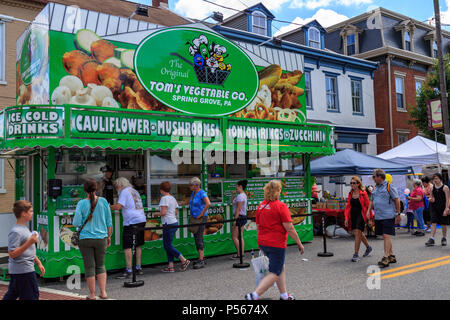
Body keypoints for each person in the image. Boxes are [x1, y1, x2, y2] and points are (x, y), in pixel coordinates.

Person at [245, 180, 304, 301]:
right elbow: (290, 228)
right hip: (276, 244)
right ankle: (254, 295)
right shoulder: (281, 206)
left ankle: (284, 295)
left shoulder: (261, 206)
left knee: (280, 267)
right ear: (278, 191)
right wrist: (299, 243)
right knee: (274, 272)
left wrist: (259, 243)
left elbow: (258, 226)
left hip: (264, 242)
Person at [73, 179, 112, 300]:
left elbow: (76, 222)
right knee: (100, 265)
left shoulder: (81, 204)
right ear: (96, 189)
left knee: (89, 267)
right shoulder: (104, 201)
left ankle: (91, 295)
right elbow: (109, 222)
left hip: (85, 238)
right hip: (101, 238)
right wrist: (108, 236)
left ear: (85, 190)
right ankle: (103, 292)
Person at [2, 200, 45, 300]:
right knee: (32, 296)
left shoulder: (24, 228)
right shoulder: (16, 231)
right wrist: (29, 242)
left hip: (22, 270)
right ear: (23, 214)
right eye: (30, 211)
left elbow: (27, 251)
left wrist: (38, 262)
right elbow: (12, 253)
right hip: (23, 271)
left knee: (12, 294)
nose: (32, 213)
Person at [111, 177, 147, 278]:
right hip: (141, 220)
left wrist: (107, 207)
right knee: (138, 245)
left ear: (120, 185)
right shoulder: (134, 191)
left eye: (116, 186)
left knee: (127, 246)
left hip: (131, 222)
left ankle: (129, 269)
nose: (116, 188)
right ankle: (138, 268)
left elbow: (118, 206)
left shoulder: (124, 192)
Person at [153, 181, 190, 273]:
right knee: (168, 245)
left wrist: (156, 214)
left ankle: (184, 260)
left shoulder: (164, 198)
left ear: (161, 190)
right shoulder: (172, 198)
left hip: (168, 224)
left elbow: (163, 213)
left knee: (167, 245)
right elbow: (176, 212)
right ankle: (171, 266)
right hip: (174, 222)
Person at [367, 169, 401, 268]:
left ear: (380, 177)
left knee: (386, 235)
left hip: (388, 215)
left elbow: (397, 200)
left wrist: (398, 213)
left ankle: (385, 257)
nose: (373, 179)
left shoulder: (389, 186)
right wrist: (368, 211)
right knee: (385, 235)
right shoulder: (375, 188)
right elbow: (372, 200)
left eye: (374, 177)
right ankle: (391, 255)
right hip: (378, 215)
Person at [344, 176, 372, 262]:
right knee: (359, 233)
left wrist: (370, 218)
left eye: (354, 183)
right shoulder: (350, 194)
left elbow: (368, 206)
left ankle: (356, 254)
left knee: (357, 233)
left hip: (361, 215)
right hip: (353, 215)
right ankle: (368, 247)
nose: (352, 184)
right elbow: (348, 206)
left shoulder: (363, 193)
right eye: (351, 183)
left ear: (358, 184)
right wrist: (346, 218)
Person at [188, 177, 211, 269]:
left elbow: (208, 203)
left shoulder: (202, 192)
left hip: (200, 218)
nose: (189, 186)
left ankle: (201, 260)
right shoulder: (194, 193)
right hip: (195, 218)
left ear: (196, 185)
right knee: (196, 236)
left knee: (199, 237)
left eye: (190, 185)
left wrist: (201, 214)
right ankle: (201, 257)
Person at [426, 173, 450, 247]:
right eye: (434, 179)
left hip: (442, 207)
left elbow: (448, 199)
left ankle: (444, 238)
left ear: (440, 179)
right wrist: (430, 199)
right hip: (434, 207)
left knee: (443, 223)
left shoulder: (445, 188)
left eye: (436, 178)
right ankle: (431, 239)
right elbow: (432, 197)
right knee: (433, 222)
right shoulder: (432, 188)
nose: (435, 180)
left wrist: (447, 208)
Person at [231, 180, 248, 259]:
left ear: (240, 186)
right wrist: (233, 195)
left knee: (234, 237)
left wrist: (235, 220)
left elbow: (238, 209)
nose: (236, 188)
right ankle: (241, 253)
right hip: (241, 216)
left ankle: (239, 254)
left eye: (237, 186)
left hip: (239, 217)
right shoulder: (241, 195)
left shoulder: (240, 196)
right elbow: (233, 203)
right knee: (240, 236)